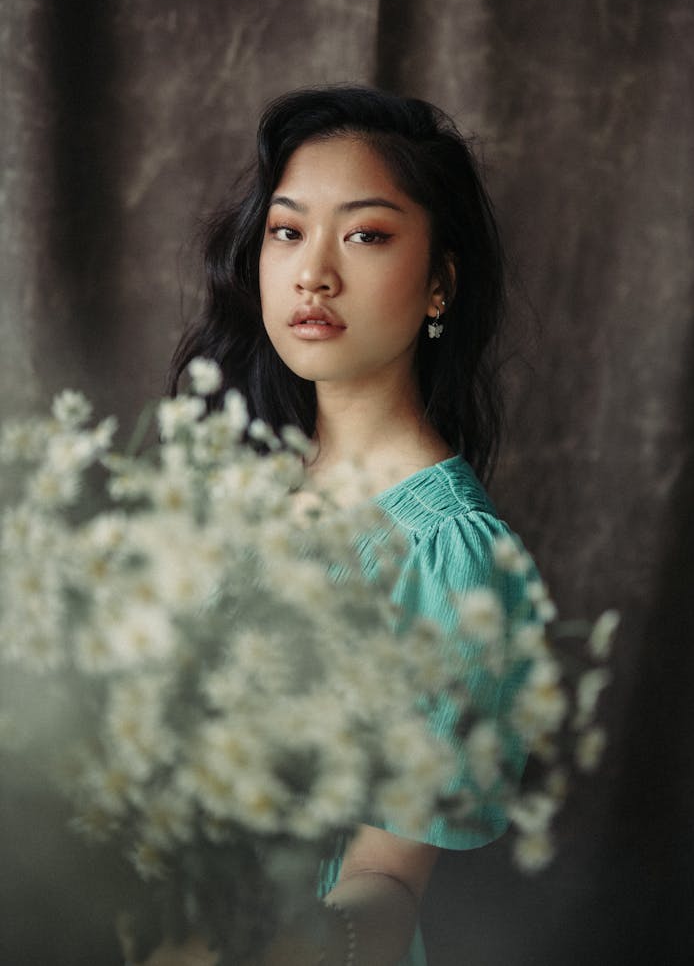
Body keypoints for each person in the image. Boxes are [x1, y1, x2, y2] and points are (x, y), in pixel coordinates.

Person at [136, 86, 537, 966]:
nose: (314, 271)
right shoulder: (248, 479)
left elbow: (389, 878)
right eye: (287, 230)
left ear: (440, 281)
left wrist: (286, 938)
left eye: (365, 234)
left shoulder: (450, 550)